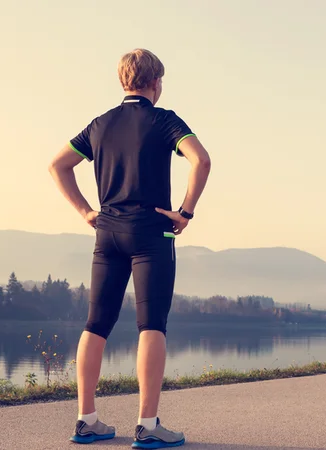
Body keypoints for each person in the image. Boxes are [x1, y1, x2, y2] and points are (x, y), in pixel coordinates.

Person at [48, 48, 211, 448]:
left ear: (123, 81)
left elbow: (58, 165)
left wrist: (86, 211)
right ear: (155, 83)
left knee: (96, 324)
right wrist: (185, 212)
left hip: (107, 232)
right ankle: (148, 425)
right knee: (151, 324)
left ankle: (87, 421)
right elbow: (202, 161)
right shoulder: (164, 120)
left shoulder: (100, 125)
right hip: (152, 233)